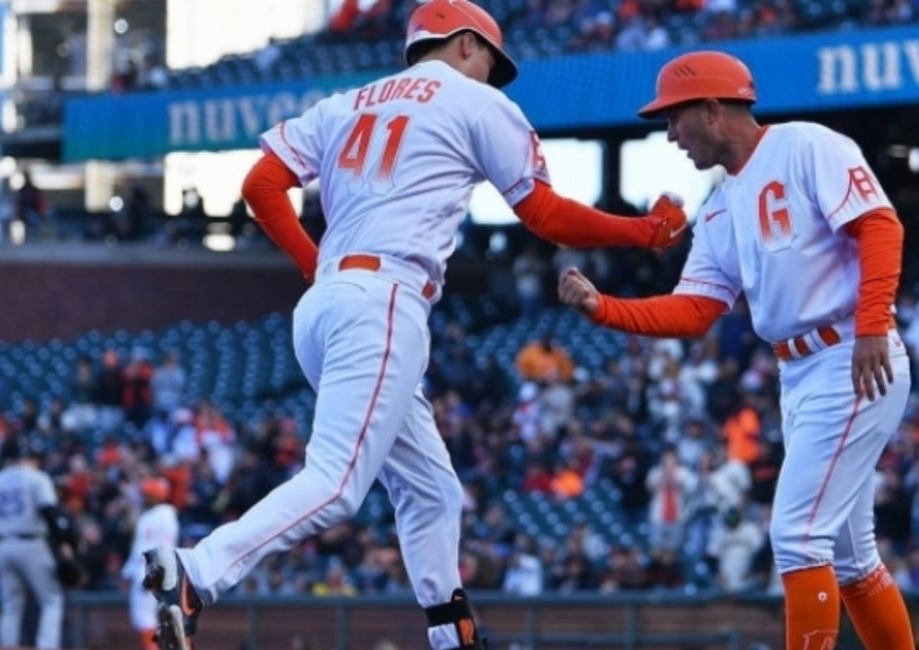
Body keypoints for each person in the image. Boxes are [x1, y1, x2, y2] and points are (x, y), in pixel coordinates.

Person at [142, 2, 688, 650]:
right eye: (491, 58)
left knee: (433, 490)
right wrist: (642, 232)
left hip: (329, 302)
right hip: (383, 300)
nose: (493, 74)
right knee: (338, 486)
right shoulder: (474, 102)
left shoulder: (346, 102)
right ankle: (197, 572)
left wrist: (318, 267)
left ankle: (451, 636)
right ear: (463, 44)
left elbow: (261, 184)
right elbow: (544, 214)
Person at [558, 51, 915, 650]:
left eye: (674, 117)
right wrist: (605, 308)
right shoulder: (720, 205)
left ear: (713, 108)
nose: (669, 134)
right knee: (851, 557)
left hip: (850, 352)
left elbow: (880, 225)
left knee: (798, 536)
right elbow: (696, 309)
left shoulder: (806, 145)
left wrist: (873, 324)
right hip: (799, 372)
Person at [0, 436, 66, 649]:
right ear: (27, 456)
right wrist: (63, 545)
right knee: (51, 599)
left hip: (3, 546)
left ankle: (8, 646)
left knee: (10, 606)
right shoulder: (37, 478)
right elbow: (50, 513)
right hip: (32, 542)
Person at [123, 478, 179, 650]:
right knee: (154, 620)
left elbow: (156, 549)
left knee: (145, 619)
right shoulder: (163, 516)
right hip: (156, 570)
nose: (144, 497)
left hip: (149, 570)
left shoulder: (157, 517)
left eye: (147, 494)